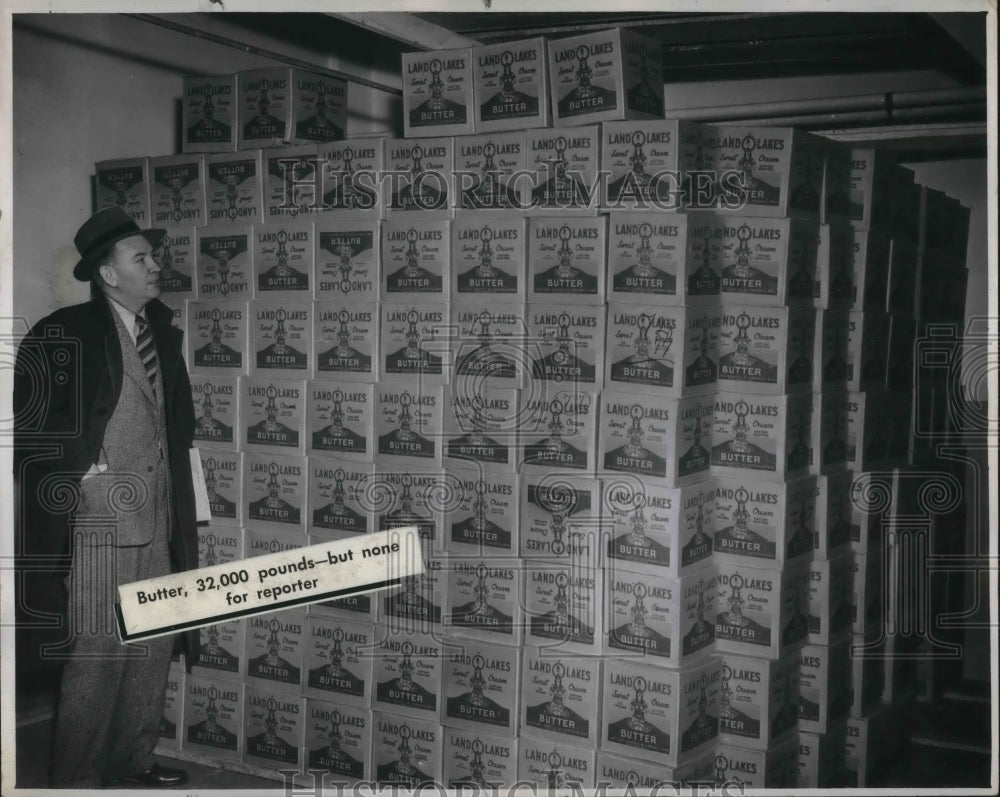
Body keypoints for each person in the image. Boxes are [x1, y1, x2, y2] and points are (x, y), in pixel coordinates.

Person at [13, 206, 199, 788]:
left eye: (154, 255)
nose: (155, 265)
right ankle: (78, 779)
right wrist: (86, 474)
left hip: (160, 518)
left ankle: (132, 760)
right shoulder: (62, 332)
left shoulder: (161, 334)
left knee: (151, 646)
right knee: (98, 654)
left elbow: (179, 427)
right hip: (98, 525)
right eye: (140, 257)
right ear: (107, 274)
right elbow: (30, 427)